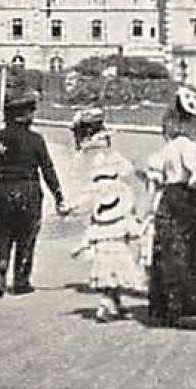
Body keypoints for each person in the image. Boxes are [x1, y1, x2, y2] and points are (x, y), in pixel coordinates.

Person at [144, 88, 196, 328]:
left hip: (168, 198)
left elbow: (155, 178)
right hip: (187, 199)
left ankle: (168, 306)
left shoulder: (168, 147)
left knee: (170, 250)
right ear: (191, 123)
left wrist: (153, 205)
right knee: (195, 251)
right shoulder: (193, 148)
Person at [0, 91, 67, 297]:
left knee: (3, 231)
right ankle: (21, 280)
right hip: (29, 190)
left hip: (3, 189)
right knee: (27, 236)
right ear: (27, 115)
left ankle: (1, 266)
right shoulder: (35, 139)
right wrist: (58, 196)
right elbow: (47, 169)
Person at [68, 109, 148, 321]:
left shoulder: (87, 158)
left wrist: (71, 207)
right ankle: (106, 304)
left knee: (106, 260)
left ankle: (114, 302)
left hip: (103, 214)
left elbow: (85, 192)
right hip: (117, 212)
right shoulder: (110, 158)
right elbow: (128, 172)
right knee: (115, 259)